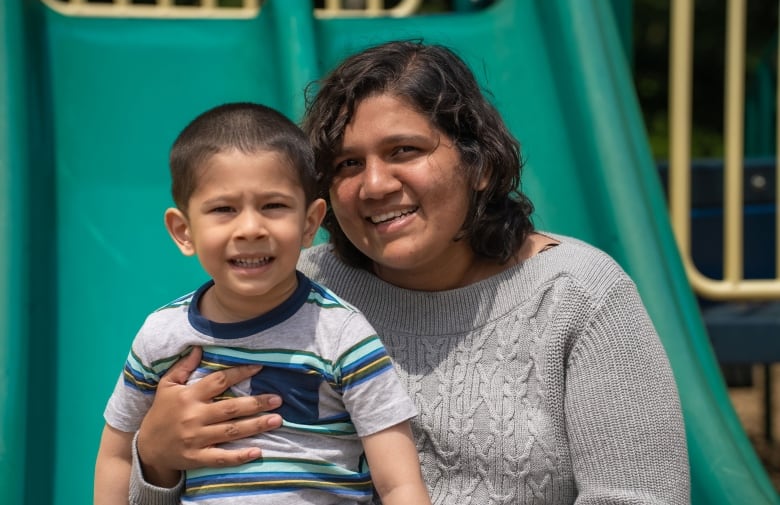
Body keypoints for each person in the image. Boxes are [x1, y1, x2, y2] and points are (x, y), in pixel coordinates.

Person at [127, 41, 691, 504]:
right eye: (348, 164)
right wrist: (155, 461)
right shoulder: (287, 291)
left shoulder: (579, 295)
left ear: (481, 165)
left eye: (404, 150)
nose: (375, 185)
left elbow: (638, 497)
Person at [93, 102, 432, 505]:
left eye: (273, 206)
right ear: (183, 231)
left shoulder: (342, 333)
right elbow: (116, 455)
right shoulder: (162, 336)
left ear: (309, 224)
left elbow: (399, 483)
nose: (251, 228)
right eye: (224, 209)